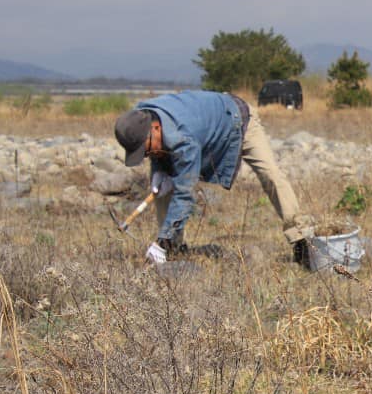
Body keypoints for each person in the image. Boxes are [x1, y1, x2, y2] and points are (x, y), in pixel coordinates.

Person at [113, 90, 311, 265]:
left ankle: (301, 240)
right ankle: (172, 249)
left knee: (271, 175)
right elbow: (158, 151)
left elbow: (185, 193)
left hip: (240, 121)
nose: (147, 155)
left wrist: (162, 240)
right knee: (162, 190)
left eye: (146, 149)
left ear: (155, 128)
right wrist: (160, 170)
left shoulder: (183, 138)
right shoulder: (141, 116)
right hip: (206, 123)